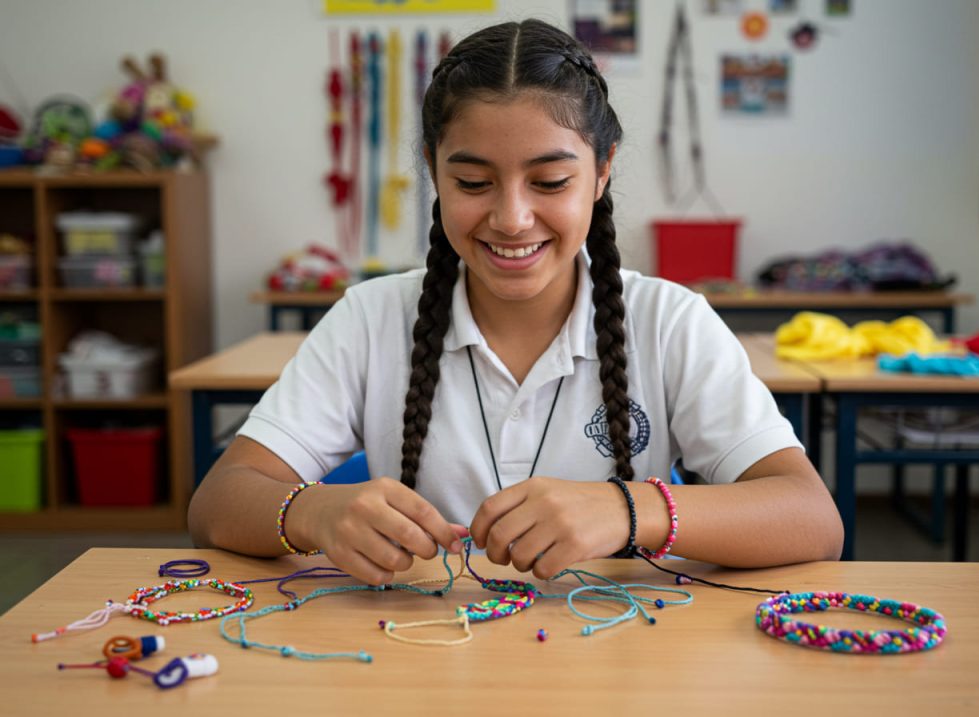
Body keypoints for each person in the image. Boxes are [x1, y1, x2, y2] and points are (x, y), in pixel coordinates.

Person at [188, 18, 843, 585]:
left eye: (550, 180)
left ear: (603, 170)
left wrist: (628, 508)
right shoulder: (371, 318)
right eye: (472, 181)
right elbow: (217, 500)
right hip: (419, 657)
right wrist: (313, 511)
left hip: (621, 661)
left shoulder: (670, 322)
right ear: (433, 168)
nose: (511, 217)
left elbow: (811, 518)